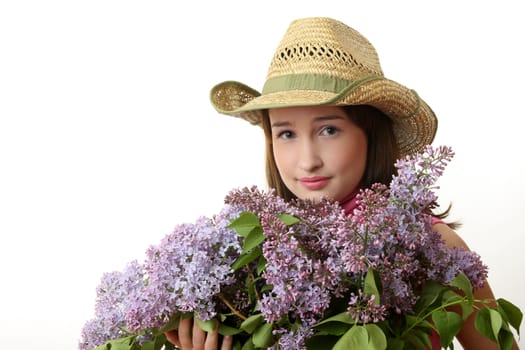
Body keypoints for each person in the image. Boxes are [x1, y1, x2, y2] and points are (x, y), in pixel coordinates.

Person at [167, 17, 519, 350]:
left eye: (329, 130)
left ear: (371, 133)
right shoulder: (244, 258)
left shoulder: (437, 250)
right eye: (286, 133)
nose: (307, 160)